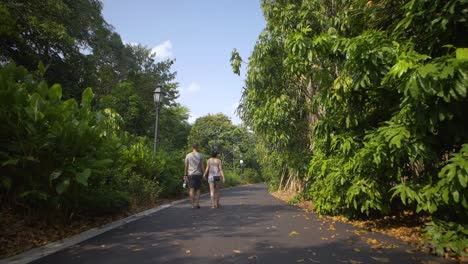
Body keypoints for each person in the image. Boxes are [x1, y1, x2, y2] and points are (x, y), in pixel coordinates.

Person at [184, 143, 204, 209]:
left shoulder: (188, 155)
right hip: (198, 174)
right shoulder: (200, 155)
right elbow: (202, 166)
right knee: (198, 189)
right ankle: (197, 204)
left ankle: (192, 205)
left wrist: (185, 175)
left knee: (191, 189)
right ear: (197, 147)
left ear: (192, 147)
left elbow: (186, 166)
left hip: (190, 174)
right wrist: (204, 174)